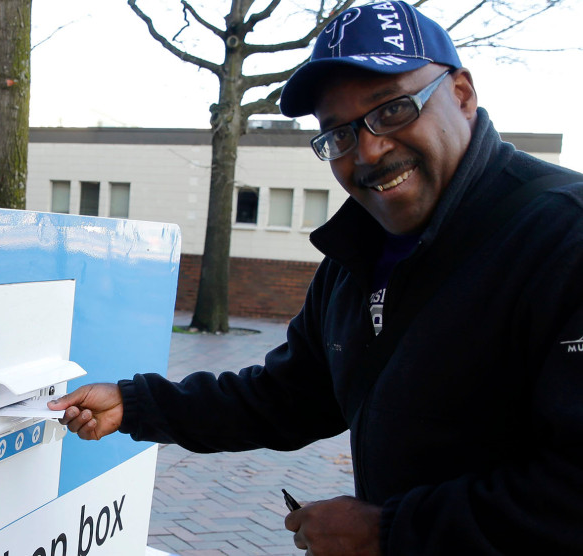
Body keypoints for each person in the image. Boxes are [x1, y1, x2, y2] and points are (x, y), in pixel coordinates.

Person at [49, 2, 583, 554]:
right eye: (340, 134)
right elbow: (288, 397)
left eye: (393, 110)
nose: (370, 150)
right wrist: (135, 405)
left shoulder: (563, 238)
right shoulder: (357, 255)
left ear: (463, 95)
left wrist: (388, 533)